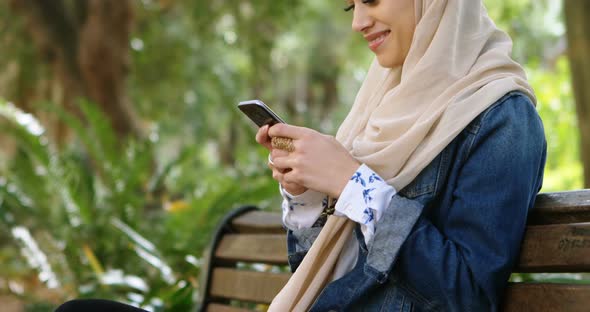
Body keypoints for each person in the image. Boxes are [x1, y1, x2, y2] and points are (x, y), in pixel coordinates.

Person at [256, 0, 546, 311]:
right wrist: (307, 195)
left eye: (370, 1)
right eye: (350, 6)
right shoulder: (382, 105)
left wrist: (355, 186)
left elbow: (467, 296)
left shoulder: (504, 119)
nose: (358, 22)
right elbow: (323, 276)